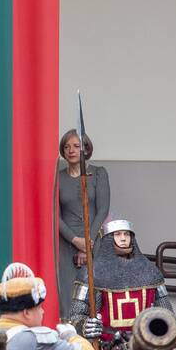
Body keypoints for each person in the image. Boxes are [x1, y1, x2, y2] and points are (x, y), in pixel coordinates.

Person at [68, 218, 176, 350]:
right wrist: (85, 326)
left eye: (126, 234)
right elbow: (75, 316)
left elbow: (166, 317)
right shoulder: (91, 274)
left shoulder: (151, 273)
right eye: (117, 235)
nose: (123, 239)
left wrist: (173, 348)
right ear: (107, 239)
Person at [56, 129, 110, 310]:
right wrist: (74, 240)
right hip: (66, 245)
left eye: (76, 146)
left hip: (94, 242)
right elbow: (54, 216)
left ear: (86, 149)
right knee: (69, 297)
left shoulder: (99, 173)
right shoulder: (57, 178)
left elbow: (102, 209)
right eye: (66, 146)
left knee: (95, 295)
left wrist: (87, 244)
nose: (71, 150)